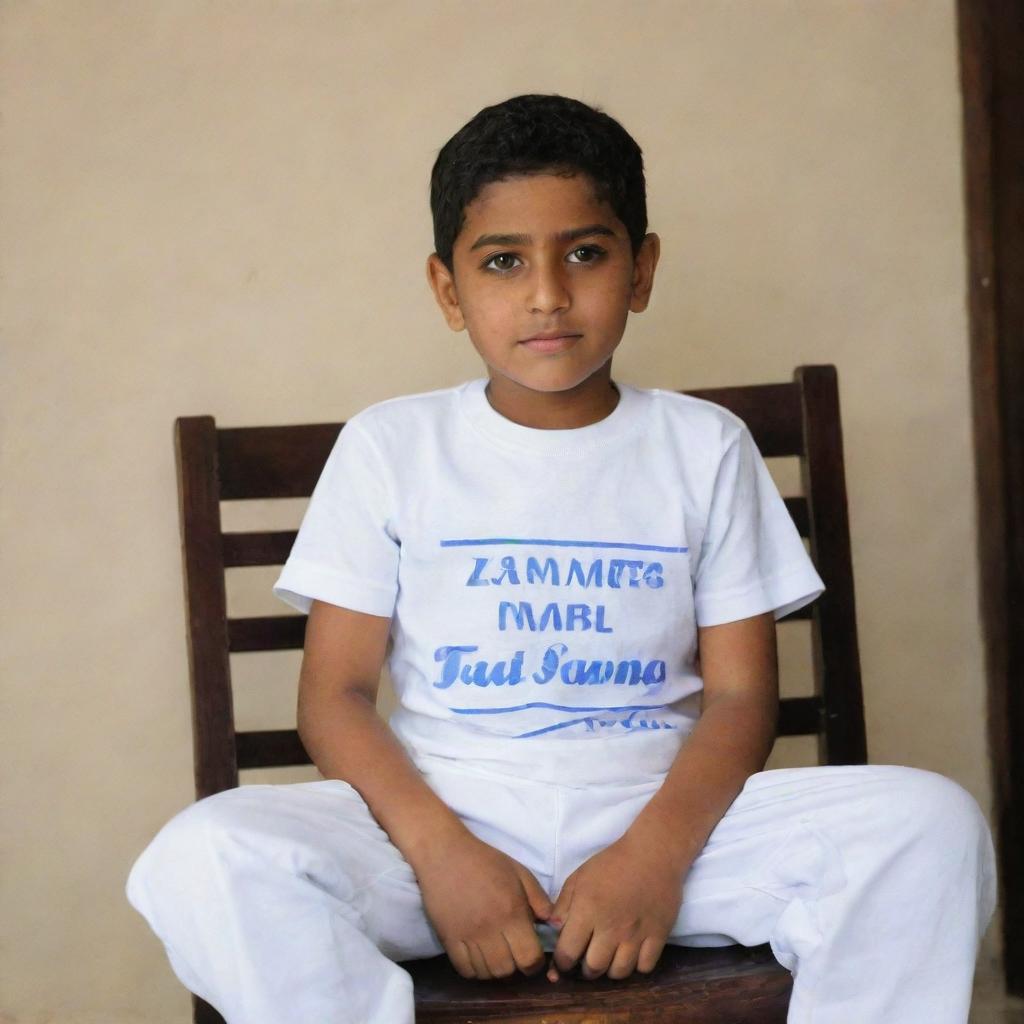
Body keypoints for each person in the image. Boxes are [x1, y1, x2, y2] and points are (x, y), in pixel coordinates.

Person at [126, 94, 997, 1024]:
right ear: (448, 289)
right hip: (437, 831)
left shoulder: (704, 446)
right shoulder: (392, 445)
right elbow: (333, 696)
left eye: (585, 253)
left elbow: (743, 699)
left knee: (929, 825)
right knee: (206, 852)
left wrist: (653, 859)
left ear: (642, 267)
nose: (547, 292)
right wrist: (444, 856)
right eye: (503, 261)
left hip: (667, 827)